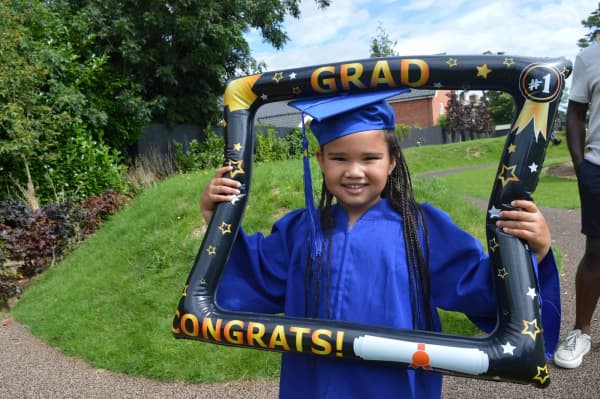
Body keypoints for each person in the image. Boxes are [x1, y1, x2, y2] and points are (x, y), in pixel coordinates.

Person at [200, 90, 560, 398]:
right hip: (313, 379)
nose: (354, 171)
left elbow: (477, 282)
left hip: (393, 382)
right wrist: (218, 221)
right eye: (339, 158)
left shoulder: (421, 226)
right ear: (321, 161)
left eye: (370, 158)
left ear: (392, 162)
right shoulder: (300, 229)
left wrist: (534, 253)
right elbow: (255, 273)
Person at [553, 29, 600, 369]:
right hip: (598, 167)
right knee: (597, 251)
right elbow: (575, 113)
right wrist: (580, 165)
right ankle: (580, 332)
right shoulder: (588, 57)